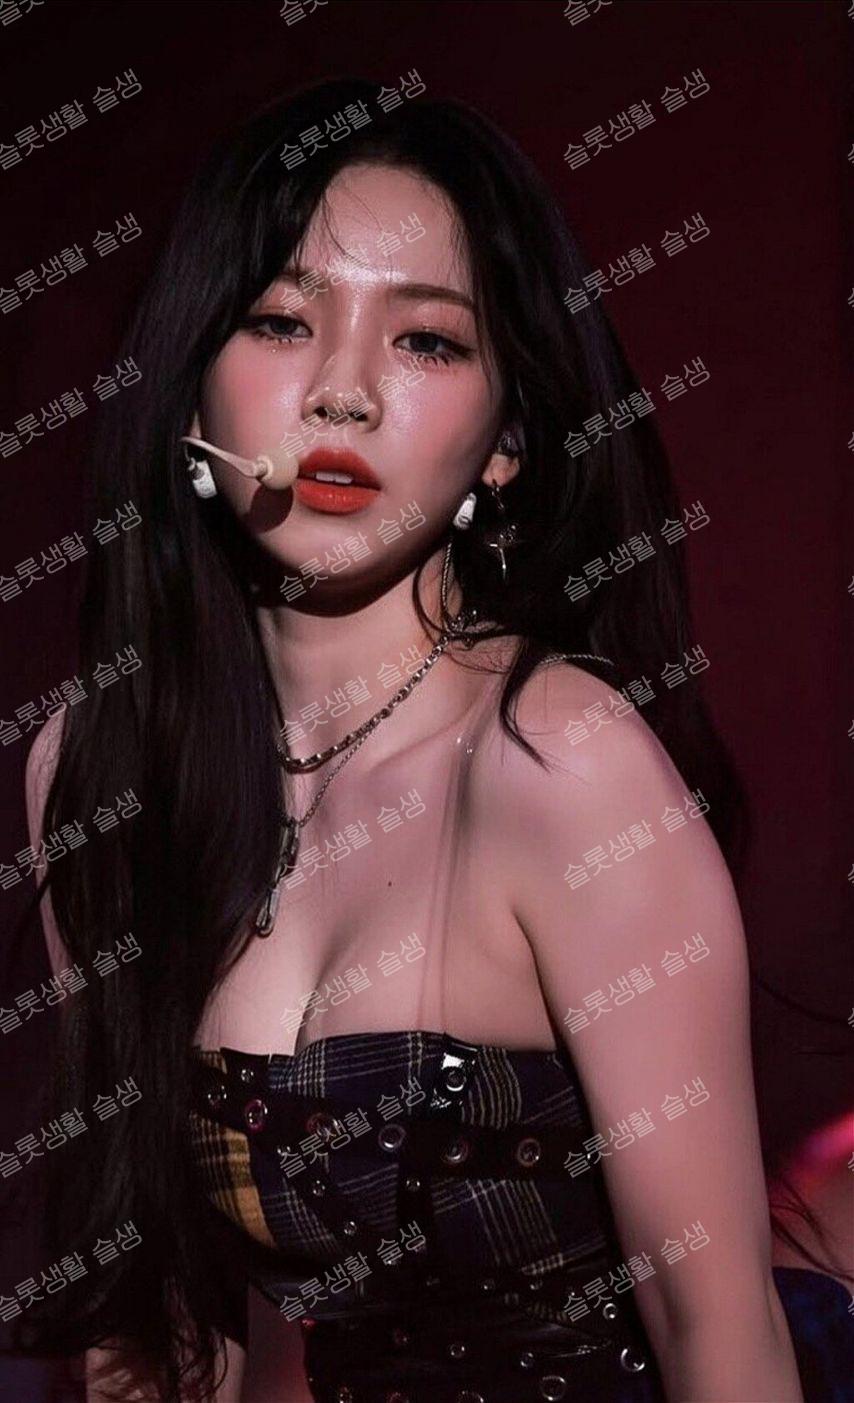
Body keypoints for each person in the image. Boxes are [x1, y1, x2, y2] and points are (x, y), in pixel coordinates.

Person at [7, 77, 850, 1403]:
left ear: (506, 441)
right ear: (192, 392)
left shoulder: (560, 763)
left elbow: (717, 1335)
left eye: (426, 342)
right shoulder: (96, 770)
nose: (341, 393)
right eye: (282, 321)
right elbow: (164, 1326)